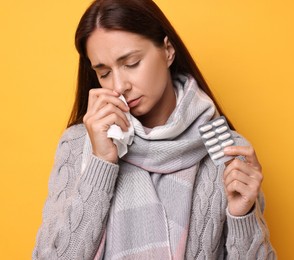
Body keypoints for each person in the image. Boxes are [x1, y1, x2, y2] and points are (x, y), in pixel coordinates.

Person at [33, 0, 276, 259]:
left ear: (168, 50)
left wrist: (242, 217)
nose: (119, 85)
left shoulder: (226, 150)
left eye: (131, 63)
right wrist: (100, 163)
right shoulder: (78, 145)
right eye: (104, 73)